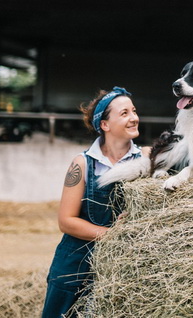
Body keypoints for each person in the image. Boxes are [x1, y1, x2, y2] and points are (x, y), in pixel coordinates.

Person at [42, 87, 149, 317]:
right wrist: (113, 234)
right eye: (124, 113)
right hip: (76, 263)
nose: (134, 118)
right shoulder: (82, 164)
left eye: (134, 111)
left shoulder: (148, 159)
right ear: (105, 125)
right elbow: (67, 221)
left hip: (124, 265)